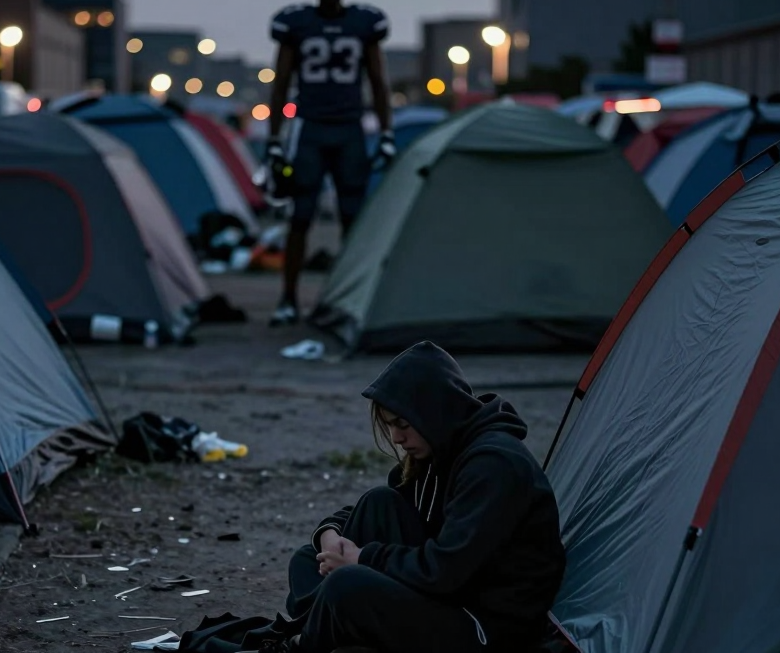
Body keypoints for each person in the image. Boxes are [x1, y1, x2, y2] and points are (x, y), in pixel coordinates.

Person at [243, 341, 567, 653]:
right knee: (355, 521)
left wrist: (361, 558)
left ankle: (308, 640)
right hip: (448, 594)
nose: (397, 438)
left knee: (346, 586)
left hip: (486, 628)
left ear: (434, 411)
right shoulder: (439, 450)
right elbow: (365, 516)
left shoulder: (494, 466)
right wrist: (331, 537)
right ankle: (333, 623)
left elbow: (445, 569)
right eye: (391, 426)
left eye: (402, 424)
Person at [264, 0, 396, 327]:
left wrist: (386, 131)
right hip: (311, 128)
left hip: (348, 127)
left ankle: (349, 297)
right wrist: (274, 139)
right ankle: (289, 298)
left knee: (352, 218)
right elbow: (280, 81)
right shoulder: (297, 24)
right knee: (300, 215)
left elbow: (378, 80)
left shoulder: (363, 24)